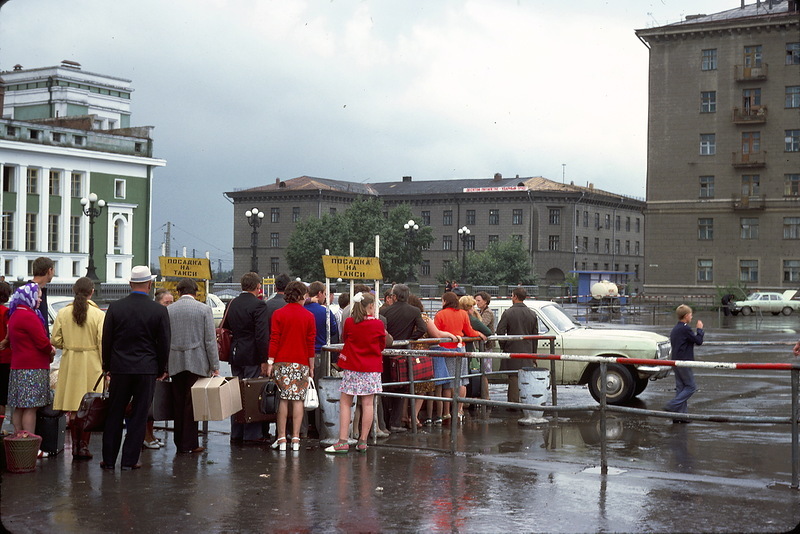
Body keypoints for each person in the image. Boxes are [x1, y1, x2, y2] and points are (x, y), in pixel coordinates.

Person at [101, 266, 170, 470]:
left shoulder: (115, 308)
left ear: (130, 284)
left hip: (120, 368)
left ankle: (109, 458)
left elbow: (107, 340)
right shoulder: (159, 310)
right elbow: (164, 342)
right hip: (146, 368)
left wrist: (107, 367)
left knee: (114, 413)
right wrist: (161, 368)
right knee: (139, 414)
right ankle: (130, 460)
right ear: (149, 285)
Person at [325, 291, 386, 453]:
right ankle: (363, 441)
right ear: (371, 306)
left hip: (352, 367)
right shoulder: (378, 324)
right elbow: (382, 345)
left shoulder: (350, 322)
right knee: (368, 403)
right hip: (371, 368)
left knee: (346, 403)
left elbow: (345, 339)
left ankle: (343, 441)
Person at [51, 277, 105, 460]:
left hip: (70, 361)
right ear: (92, 292)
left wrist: (69, 344)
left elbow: (55, 339)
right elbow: (102, 342)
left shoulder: (64, 313)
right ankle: (83, 446)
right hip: (91, 362)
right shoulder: (98, 315)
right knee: (88, 406)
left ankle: (74, 446)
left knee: (73, 408)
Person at [167, 278, 219, 454]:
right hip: (197, 362)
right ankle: (191, 443)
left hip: (175, 361)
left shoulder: (169, 310)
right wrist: (215, 365)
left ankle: (179, 442)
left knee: (177, 402)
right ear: (195, 292)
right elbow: (210, 341)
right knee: (193, 404)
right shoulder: (204, 309)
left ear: (178, 292)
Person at [266, 281, 315, 452]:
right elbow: (311, 344)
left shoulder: (278, 314)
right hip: (301, 362)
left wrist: (270, 362)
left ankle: (281, 439)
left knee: (283, 400)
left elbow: (274, 339)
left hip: (281, 361)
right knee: (298, 400)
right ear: (302, 295)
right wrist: (312, 366)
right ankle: (295, 438)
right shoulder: (309, 316)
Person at [222, 272, 269, 445]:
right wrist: (264, 360)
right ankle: (252, 434)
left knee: (236, 394)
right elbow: (262, 336)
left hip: (235, 353)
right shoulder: (259, 306)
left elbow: (226, 327)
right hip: (252, 355)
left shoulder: (232, 304)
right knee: (252, 394)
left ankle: (236, 432)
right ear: (258, 287)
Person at [6, 283, 55, 435]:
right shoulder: (28, 316)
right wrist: (51, 350)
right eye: (38, 297)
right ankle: (29, 441)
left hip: (18, 366)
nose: (39, 300)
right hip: (33, 368)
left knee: (19, 406)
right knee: (31, 407)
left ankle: (18, 439)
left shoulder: (15, 314)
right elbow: (42, 342)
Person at [433, 291, 486, 423]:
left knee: (447, 382)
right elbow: (469, 332)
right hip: (460, 348)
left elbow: (435, 334)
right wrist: (479, 333)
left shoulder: (440, 314)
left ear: (445, 302)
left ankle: (446, 412)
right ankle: (459, 410)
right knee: (462, 380)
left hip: (445, 349)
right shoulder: (463, 314)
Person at [382, 284, 427, 431]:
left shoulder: (384, 311)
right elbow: (422, 329)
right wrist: (409, 339)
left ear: (394, 296)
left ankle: (384, 422)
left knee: (384, 387)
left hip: (386, 352)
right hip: (402, 354)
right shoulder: (414, 311)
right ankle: (395, 423)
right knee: (401, 387)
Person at [407, 294, 457, 426]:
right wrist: (451, 335)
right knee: (422, 387)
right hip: (422, 355)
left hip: (405, 353)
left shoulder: (405, 317)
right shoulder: (423, 318)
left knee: (406, 387)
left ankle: (403, 417)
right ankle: (414, 417)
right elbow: (437, 335)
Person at [495, 287, 538, 405]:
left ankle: (513, 404)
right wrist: (534, 354)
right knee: (526, 378)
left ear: (515, 296)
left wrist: (504, 345)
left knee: (514, 378)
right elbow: (535, 336)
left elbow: (500, 331)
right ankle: (526, 402)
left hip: (512, 349)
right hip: (528, 350)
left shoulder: (508, 313)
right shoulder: (532, 314)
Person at [144, 287, 174, 450]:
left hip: (161, 364)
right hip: (152, 364)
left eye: (171, 302)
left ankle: (150, 433)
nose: (169, 306)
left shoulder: (168, 318)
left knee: (154, 403)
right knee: (147, 403)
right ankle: (145, 435)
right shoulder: (155, 318)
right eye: (166, 302)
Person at [664, 305, 704, 422]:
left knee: (681, 388)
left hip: (675, 361)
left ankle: (680, 416)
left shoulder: (676, 328)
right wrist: (700, 330)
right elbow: (698, 341)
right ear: (686, 316)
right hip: (684, 362)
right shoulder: (685, 329)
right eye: (691, 315)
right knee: (691, 387)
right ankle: (672, 405)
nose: (692, 317)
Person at [474, 291, 496, 402]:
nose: (476, 303)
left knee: (484, 373)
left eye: (479, 300)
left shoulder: (488, 312)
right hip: (481, 345)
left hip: (486, 346)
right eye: (476, 301)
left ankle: (486, 397)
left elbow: (481, 325)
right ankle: (483, 396)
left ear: (485, 301)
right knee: (482, 372)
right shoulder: (480, 311)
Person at [0, 281, 12, 433]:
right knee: (1, 397)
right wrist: (6, 341)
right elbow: (11, 331)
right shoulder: (5, 312)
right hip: (4, 357)